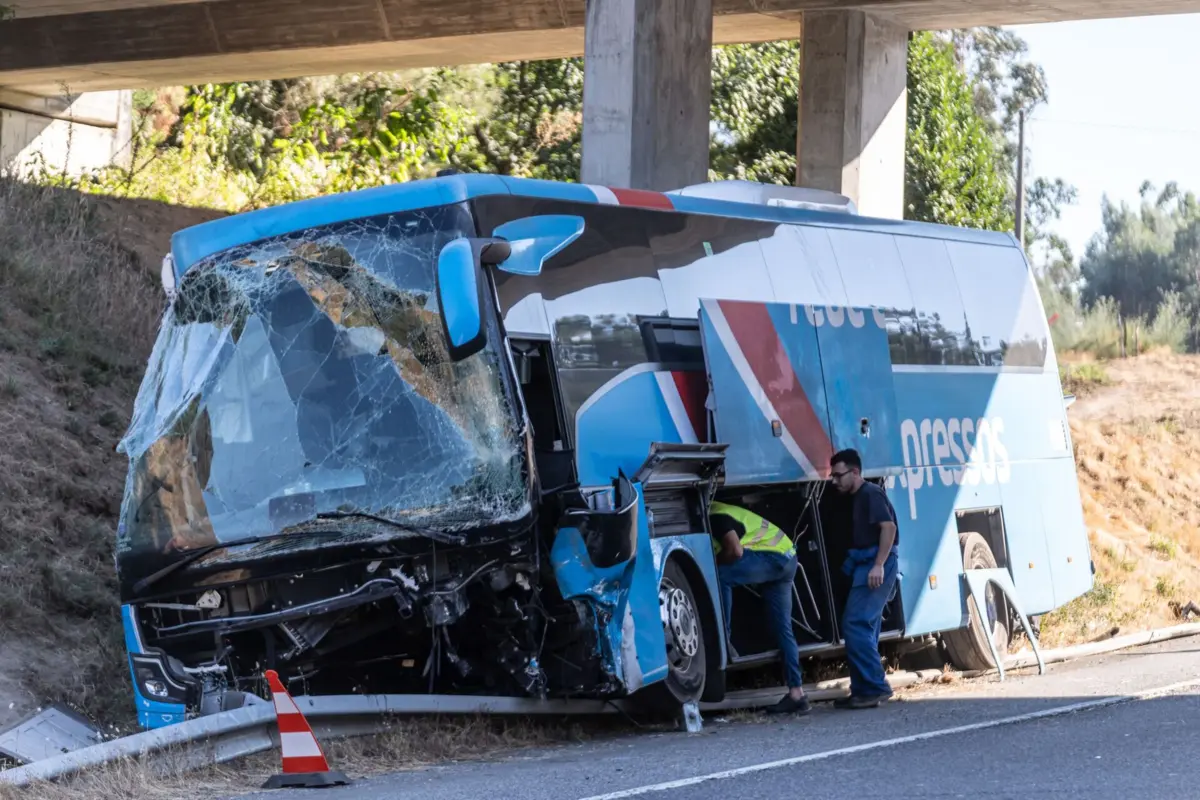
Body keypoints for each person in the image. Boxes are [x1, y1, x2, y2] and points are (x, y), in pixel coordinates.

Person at [709, 500, 809, 715]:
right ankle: (797, 694)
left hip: (774, 558)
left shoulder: (715, 517)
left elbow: (735, 551)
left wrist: (713, 564)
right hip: (787, 558)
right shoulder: (725, 510)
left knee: (721, 576)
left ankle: (723, 639)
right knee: (783, 629)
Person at [829, 448, 901, 709]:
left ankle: (876, 686)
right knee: (864, 626)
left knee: (855, 623)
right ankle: (862, 690)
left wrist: (878, 565)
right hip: (866, 563)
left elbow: (889, 528)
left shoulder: (870, 493)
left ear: (855, 472)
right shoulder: (859, 496)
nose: (834, 481)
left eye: (838, 475)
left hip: (874, 563)